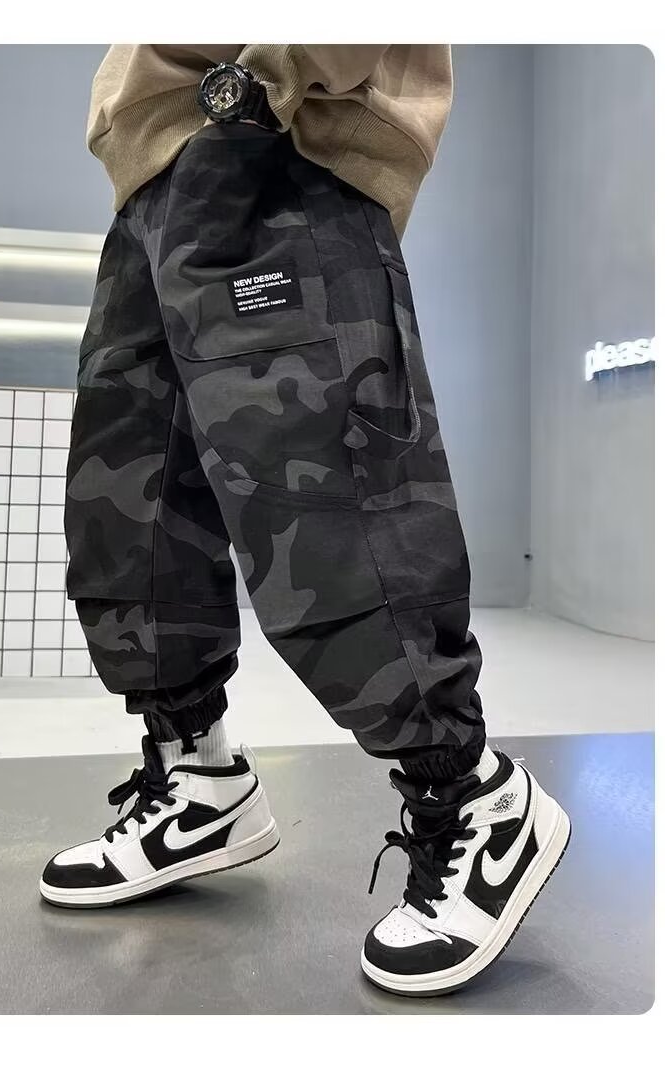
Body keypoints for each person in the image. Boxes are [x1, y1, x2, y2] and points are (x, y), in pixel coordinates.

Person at [40, 45, 571, 997]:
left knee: (327, 514)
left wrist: (267, 85)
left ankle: (475, 797)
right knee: (129, 509)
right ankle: (200, 782)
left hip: (277, 140)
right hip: (152, 181)